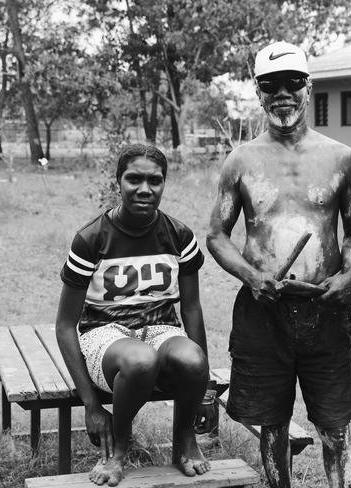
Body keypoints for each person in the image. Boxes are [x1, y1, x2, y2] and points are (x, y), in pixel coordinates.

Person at [207, 41, 351, 488]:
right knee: (272, 423)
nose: (282, 93)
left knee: (336, 426)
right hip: (264, 312)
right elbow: (216, 235)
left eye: (292, 82)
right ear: (258, 92)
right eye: (271, 84)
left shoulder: (341, 158)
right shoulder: (241, 161)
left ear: (308, 86)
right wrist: (253, 277)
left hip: (327, 312)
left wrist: (349, 275)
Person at [55, 143, 215, 486]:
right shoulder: (91, 239)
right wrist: (91, 404)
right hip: (105, 335)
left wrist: (204, 387)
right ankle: (120, 447)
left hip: (159, 329)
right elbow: (66, 325)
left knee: (192, 359)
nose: (145, 189)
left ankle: (184, 438)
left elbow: (190, 307)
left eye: (155, 181)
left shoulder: (179, 236)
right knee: (141, 360)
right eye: (134, 179)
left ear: (164, 184)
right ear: (118, 182)